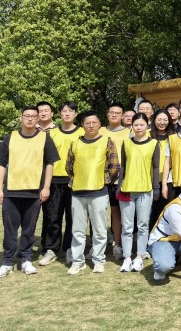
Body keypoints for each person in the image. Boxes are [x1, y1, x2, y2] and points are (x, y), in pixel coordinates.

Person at [0, 106, 59, 279]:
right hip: (11, 192)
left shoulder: (44, 138)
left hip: (34, 191)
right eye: (27, 116)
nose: (30, 119)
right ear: (21, 118)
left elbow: (50, 163)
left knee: (29, 229)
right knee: (10, 229)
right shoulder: (11, 137)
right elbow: (1, 164)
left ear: (38, 119)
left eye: (33, 116)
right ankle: (7, 262)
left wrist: (46, 187)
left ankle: (26, 260)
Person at [66, 110, 120, 275]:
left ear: (99, 124)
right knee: (77, 230)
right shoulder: (75, 143)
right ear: (82, 125)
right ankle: (78, 261)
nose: (91, 125)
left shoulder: (107, 141)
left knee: (99, 229)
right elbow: (69, 166)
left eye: (94, 122)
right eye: (87, 123)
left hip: (99, 192)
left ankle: (99, 260)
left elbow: (114, 166)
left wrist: (104, 180)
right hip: (78, 192)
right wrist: (79, 179)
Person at [38, 101, 84, 267]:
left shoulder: (82, 132)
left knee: (73, 218)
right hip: (54, 180)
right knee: (53, 216)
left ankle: (70, 248)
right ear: (59, 114)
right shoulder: (51, 133)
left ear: (76, 114)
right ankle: (51, 249)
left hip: (75, 181)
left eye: (71, 111)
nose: (67, 114)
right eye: (64, 111)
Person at [117, 113, 160, 273]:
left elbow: (156, 167)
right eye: (136, 125)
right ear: (132, 126)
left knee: (143, 225)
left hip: (145, 190)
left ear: (147, 126)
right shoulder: (126, 143)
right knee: (127, 226)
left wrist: (156, 188)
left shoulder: (154, 143)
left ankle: (140, 256)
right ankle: (127, 257)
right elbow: (123, 166)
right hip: (127, 190)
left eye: (142, 124)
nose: (138, 127)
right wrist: (119, 186)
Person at [104, 102, 131, 260]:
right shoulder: (100, 130)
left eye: (117, 113)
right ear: (107, 114)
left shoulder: (129, 132)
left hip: (119, 180)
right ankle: (96, 245)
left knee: (117, 212)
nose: (114, 115)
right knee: (98, 213)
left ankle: (117, 244)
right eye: (111, 112)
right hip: (100, 179)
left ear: (122, 116)